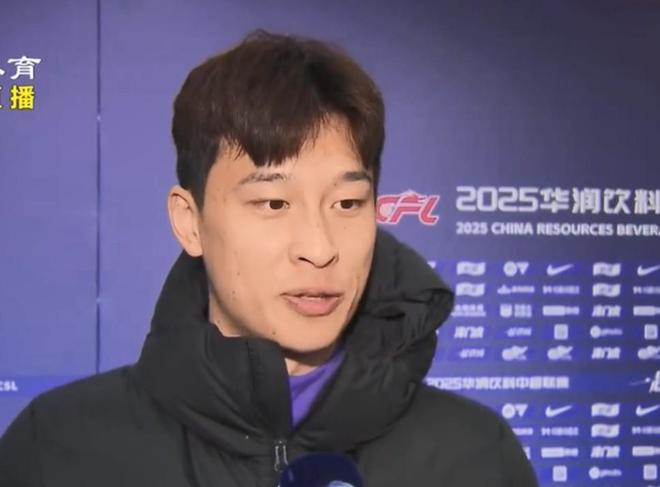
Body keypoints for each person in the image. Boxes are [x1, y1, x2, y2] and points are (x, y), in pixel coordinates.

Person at [0, 30, 538, 486]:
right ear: (190, 222)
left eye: (348, 203)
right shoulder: (58, 449)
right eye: (273, 203)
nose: (320, 249)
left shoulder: (474, 456)